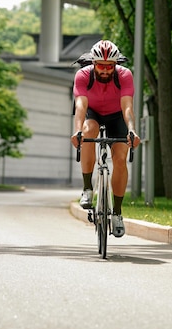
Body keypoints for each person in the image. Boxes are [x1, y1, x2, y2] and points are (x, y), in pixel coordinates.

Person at [70, 40, 141, 237]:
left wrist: (132, 130)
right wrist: (77, 131)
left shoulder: (124, 74)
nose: (105, 70)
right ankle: (87, 188)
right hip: (92, 112)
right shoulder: (83, 75)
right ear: (93, 63)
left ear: (115, 64)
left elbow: (127, 106)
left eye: (110, 66)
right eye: (100, 65)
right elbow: (81, 106)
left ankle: (117, 213)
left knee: (120, 157)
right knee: (88, 130)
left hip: (116, 115)